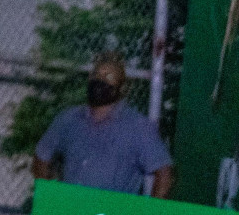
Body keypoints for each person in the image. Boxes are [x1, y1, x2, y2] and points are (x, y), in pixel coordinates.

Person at [32, 52, 173, 198]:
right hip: (70, 210)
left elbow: (164, 174)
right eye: (96, 75)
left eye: (109, 77)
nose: (100, 81)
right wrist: (49, 196)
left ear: (122, 88)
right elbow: (41, 157)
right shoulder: (69, 119)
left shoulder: (137, 127)